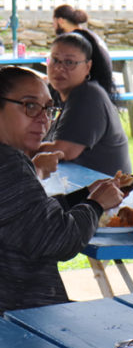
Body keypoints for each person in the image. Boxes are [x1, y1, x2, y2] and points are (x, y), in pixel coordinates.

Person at [0, 66, 126, 313]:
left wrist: (84, 197)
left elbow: (29, 217)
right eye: (30, 106)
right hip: (19, 315)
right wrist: (95, 205)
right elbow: (60, 240)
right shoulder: (9, 165)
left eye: (48, 109)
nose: (43, 119)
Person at [35, 32, 131, 177]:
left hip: (104, 189)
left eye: (69, 62)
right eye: (54, 60)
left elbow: (63, 151)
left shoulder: (88, 95)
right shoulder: (58, 92)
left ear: (87, 67)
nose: (59, 68)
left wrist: (16, 150)